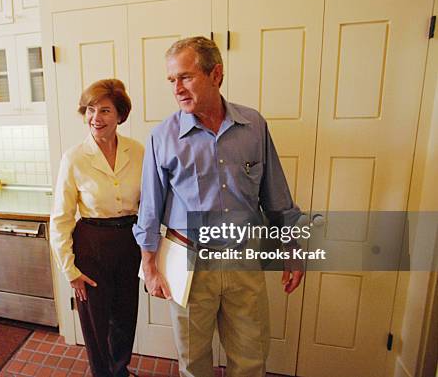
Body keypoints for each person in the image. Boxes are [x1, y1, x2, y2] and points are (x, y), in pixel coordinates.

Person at [133, 36, 304, 377]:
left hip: (244, 261)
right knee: (194, 363)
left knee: (251, 359)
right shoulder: (162, 137)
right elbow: (150, 210)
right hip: (189, 263)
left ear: (216, 75)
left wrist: (293, 249)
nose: (177, 88)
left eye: (186, 77)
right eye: (172, 80)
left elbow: (277, 197)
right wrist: (149, 267)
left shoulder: (253, 126)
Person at [50, 79, 144, 377]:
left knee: (125, 318)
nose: (96, 118)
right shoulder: (74, 157)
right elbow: (61, 217)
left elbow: (151, 202)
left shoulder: (138, 151)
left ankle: (120, 370)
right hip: (91, 247)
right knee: (95, 323)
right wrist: (70, 269)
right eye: (90, 110)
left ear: (120, 115)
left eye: (105, 110)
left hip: (130, 244)